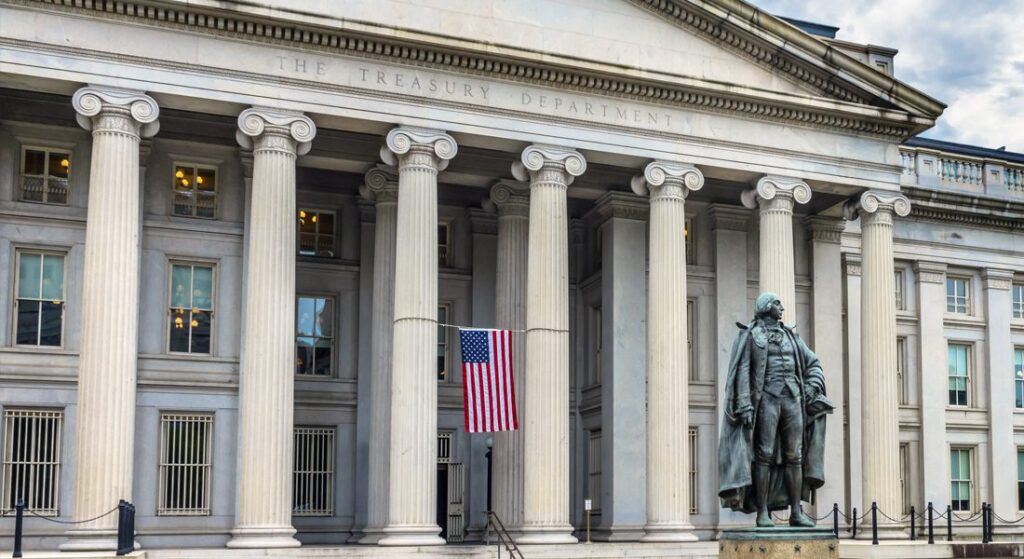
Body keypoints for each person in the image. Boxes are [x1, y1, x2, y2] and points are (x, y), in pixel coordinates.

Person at [718, 292, 832, 528]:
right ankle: (762, 512)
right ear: (766, 306)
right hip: (766, 400)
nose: (782, 307)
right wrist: (744, 404)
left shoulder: (792, 336)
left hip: (793, 400)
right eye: (777, 303)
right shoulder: (751, 335)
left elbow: (813, 363)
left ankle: (796, 513)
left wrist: (811, 386)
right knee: (764, 455)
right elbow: (742, 370)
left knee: (795, 456)